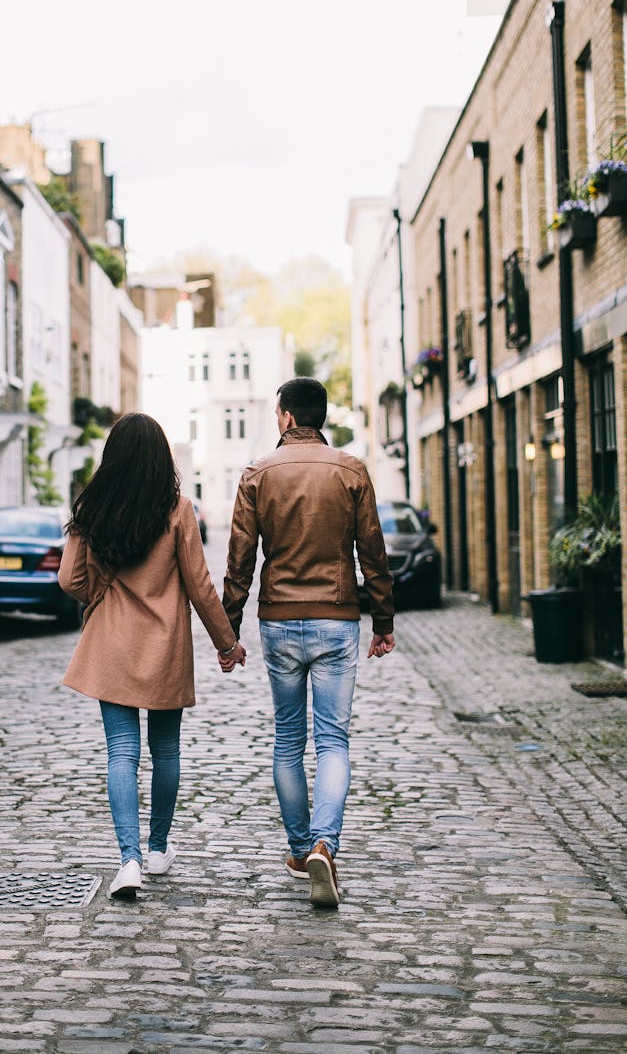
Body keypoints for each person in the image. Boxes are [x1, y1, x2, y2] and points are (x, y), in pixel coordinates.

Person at [222, 377, 394, 908]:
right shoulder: (351, 471)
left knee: (288, 739)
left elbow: (240, 558)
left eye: (278, 413)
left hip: (279, 620)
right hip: (337, 618)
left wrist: (229, 629)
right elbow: (373, 551)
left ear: (289, 417)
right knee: (334, 741)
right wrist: (383, 620)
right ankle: (325, 842)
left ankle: (300, 849)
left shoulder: (258, 473)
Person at [59, 412, 246, 899]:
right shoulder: (178, 509)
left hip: (111, 646)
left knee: (121, 753)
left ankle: (129, 860)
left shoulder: (93, 507)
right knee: (165, 752)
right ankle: (159, 846)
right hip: (164, 646)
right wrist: (227, 643)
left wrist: (101, 589)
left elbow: (69, 581)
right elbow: (201, 586)